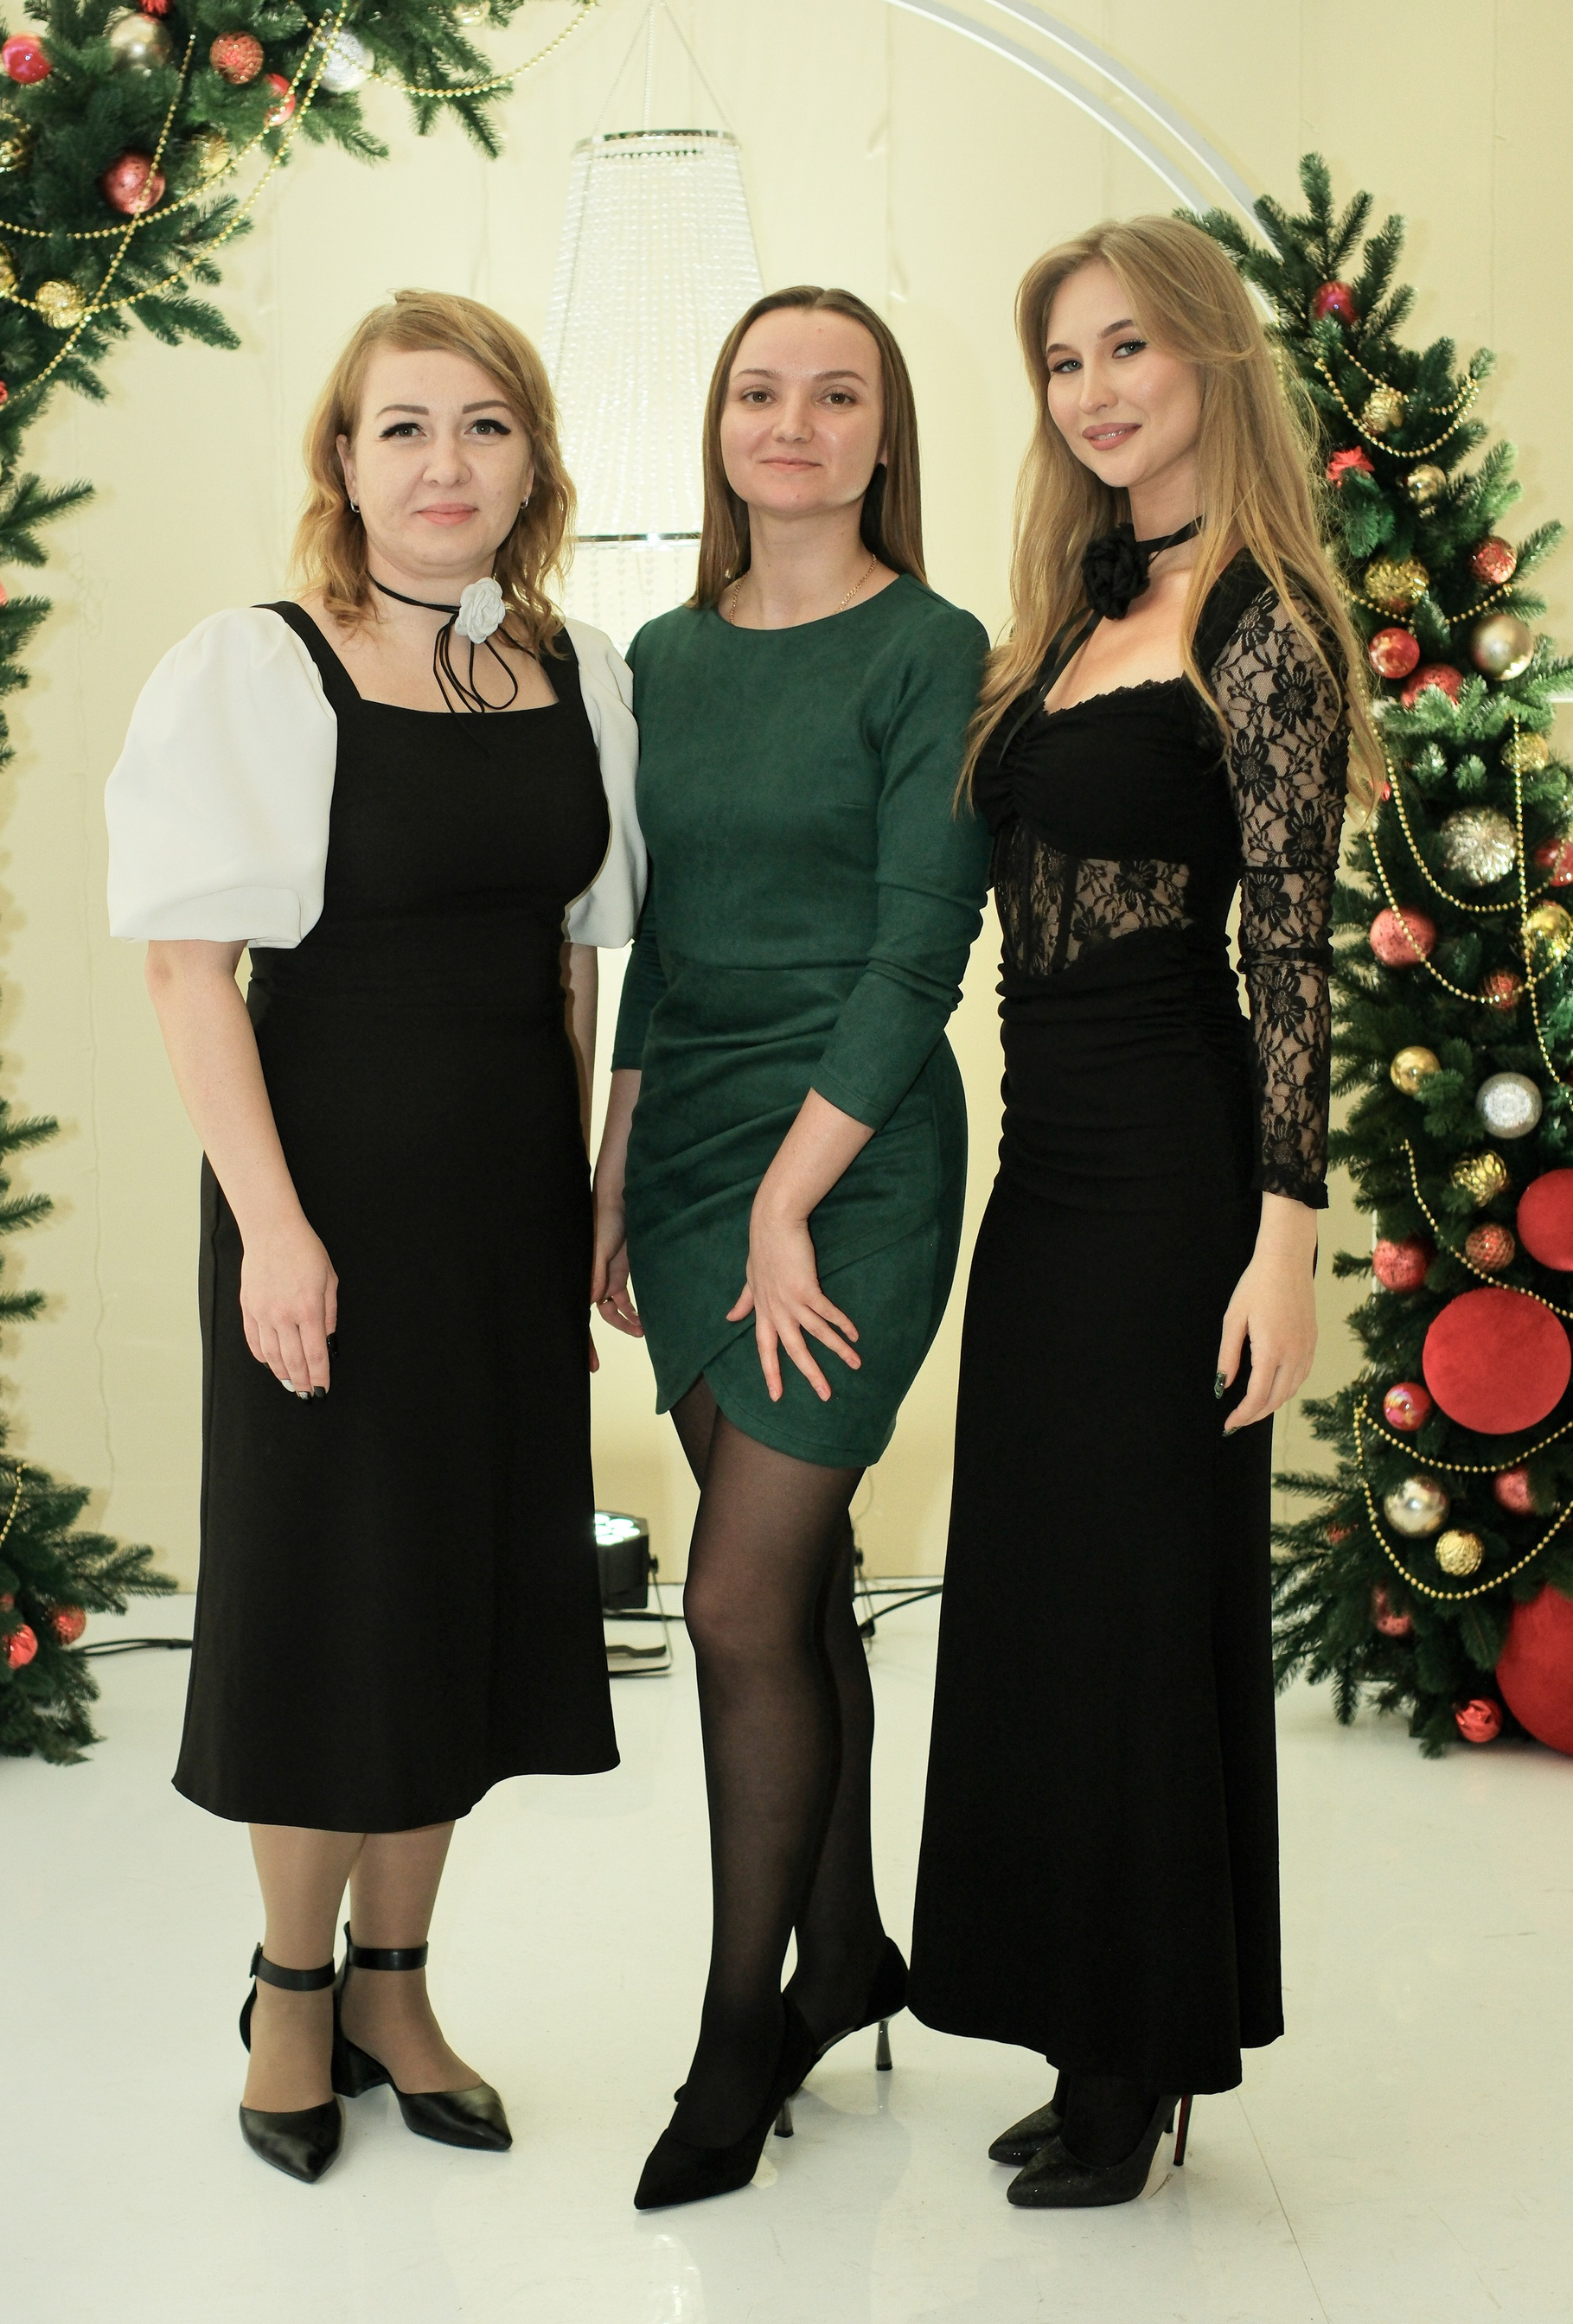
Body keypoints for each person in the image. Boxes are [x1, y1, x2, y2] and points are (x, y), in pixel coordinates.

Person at [106, 290, 643, 2185]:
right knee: (330, 1593)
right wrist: (274, 1232)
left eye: (485, 425)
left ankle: (400, 1989)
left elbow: (578, 960)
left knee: (463, 1590)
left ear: (533, 461)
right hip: (320, 1194)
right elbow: (190, 972)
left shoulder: (577, 670)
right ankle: (291, 1988)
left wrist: (589, 1195)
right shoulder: (256, 668)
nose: (444, 463)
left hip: (503, 1205)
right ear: (342, 461)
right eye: (402, 426)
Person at [909, 216, 1374, 2207]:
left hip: (1179, 1180)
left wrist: (1284, 1246)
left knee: (1138, 1605)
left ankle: (1143, 2054)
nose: (1093, 391)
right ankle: (1077, 2020)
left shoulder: (1264, 622)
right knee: (1046, 1595)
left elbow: (1294, 958)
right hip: (1048, 1173)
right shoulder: (1079, 601)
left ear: (1209, 360)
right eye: (1063, 360)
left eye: (1128, 349)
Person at [592, 285, 990, 2211]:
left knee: (739, 1603)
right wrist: (617, 1175)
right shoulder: (662, 656)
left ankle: (736, 2031)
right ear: (719, 423)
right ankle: (846, 1955)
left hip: (859, 1152)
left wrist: (785, 1201)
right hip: (691, 1158)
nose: (795, 424)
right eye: (760, 390)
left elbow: (922, 954)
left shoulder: (934, 647)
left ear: (884, 435)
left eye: (839, 395)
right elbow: (657, 944)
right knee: (801, 1584)